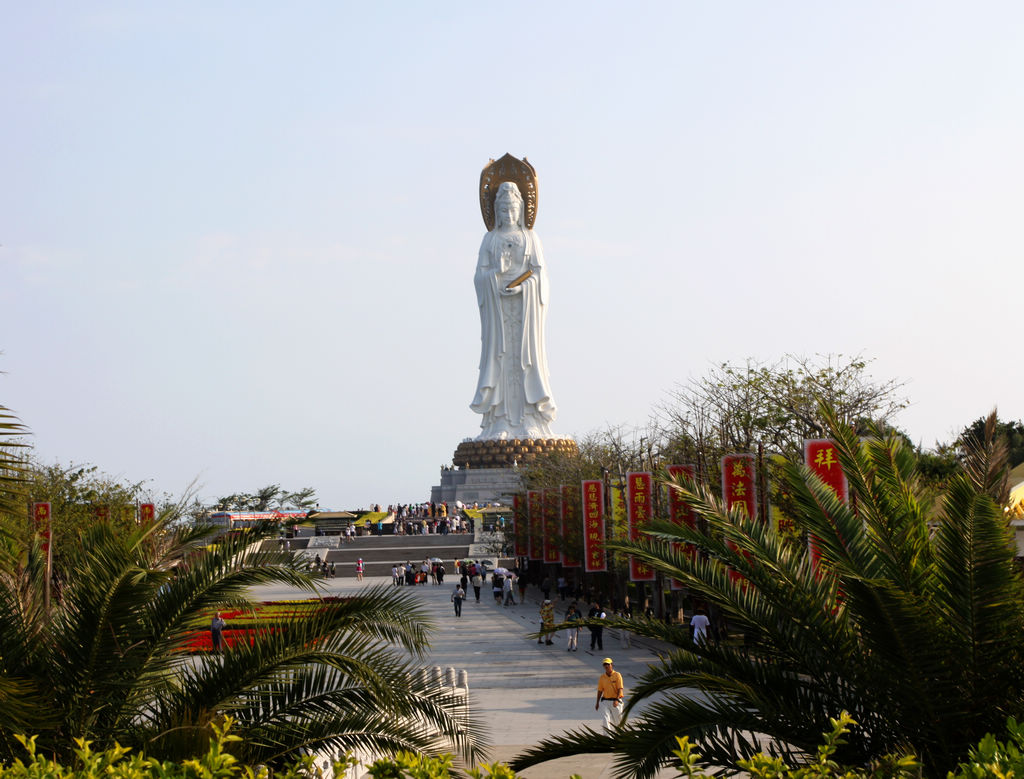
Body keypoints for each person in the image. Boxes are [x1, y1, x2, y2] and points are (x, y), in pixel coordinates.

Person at [471, 176, 557, 440]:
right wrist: (496, 274)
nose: (508, 214)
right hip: (498, 311)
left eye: (512, 209)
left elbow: (541, 276)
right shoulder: (490, 239)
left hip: (524, 310)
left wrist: (524, 287)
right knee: (501, 359)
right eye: (503, 210)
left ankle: (530, 419)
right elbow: (479, 277)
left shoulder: (531, 238)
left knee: (525, 359)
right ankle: (499, 422)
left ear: (521, 211)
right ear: (496, 212)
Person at [595, 657, 625, 732]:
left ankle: (619, 736)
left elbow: (620, 689)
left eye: (608, 664)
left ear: (611, 665)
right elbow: (600, 690)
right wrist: (597, 702)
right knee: (605, 719)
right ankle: (607, 737)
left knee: (618, 721)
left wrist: (617, 700)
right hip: (605, 701)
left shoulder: (617, 675)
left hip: (616, 701)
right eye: (605, 664)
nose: (606, 666)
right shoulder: (602, 677)